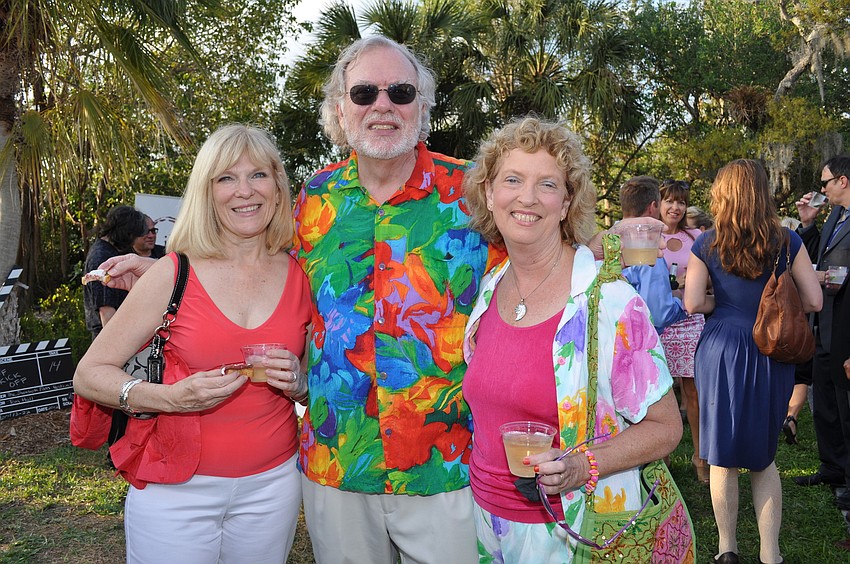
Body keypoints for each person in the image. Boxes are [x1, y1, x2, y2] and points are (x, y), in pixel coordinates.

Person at [290, 35, 506, 563]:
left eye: (400, 91)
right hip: (341, 459)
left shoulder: (476, 192)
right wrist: (167, 268)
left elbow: (542, 265)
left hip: (448, 462)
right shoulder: (310, 200)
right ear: (341, 111)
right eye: (364, 92)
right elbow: (251, 266)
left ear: (423, 107)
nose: (382, 105)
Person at [74, 124, 311, 563]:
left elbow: (319, 376)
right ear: (207, 192)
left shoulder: (302, 272)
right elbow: (89, 374)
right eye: (226, 178)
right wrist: (167, 397)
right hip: (174, 488)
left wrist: (299, 383)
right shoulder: (172, 273)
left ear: (278, 187)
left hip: (273, 485)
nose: (244, 191)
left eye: (258, 175)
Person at [460, 116, 683, 562]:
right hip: (486, 523)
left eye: (547, 184)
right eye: (512, 179)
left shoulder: (611, 302)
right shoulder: (490, 289)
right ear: (489, 194)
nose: (526, 197)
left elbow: (666, 428)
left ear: (565, 204)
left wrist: (581, 465)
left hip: (571, 532)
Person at [685, 159, 822, 564]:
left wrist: (720, 302)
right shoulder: (787, 241)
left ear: (721, 195)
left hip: (721, 349)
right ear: (763, 193)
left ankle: (727, 549)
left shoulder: (706, 242)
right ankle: (770, 554)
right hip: (769, 348)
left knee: (722, 457)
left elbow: (693, 302)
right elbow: (814, 300)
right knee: (764, 459)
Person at [793, 155, 850, 512]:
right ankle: (832, 466)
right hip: (825, 324)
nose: (822, 188)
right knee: (826, 403)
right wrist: (808, 224)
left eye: (826, 181)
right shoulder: (834, 218)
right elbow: (815, 259)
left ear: (843, 180)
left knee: (847, 408)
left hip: (846, 325)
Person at [658, 179, 709, 483]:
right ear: (659, 203)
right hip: (659, 323)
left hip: (690, 320)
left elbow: (709, 278)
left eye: (681, 202)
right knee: (660, 392)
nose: (675, 207)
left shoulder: (698, 237)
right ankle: (659, 455)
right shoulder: (646, 236)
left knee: (693, 391)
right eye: (669, 201)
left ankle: (700, 456)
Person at [619, 175, 687, 333]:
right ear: (653, 206)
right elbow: (659, 315)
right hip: (638, 342)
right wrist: (676, 298)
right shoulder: (646, 248)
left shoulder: (606, 240)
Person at [83, 205, 146, 340]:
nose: (134, 242)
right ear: (127, 233)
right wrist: (116, 345)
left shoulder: (109, 251)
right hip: (109, 335)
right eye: (134, 236)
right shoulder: (102, 258)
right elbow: (106, 309)